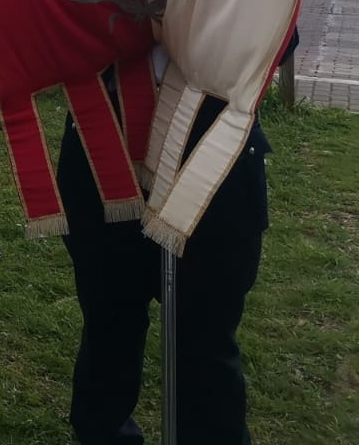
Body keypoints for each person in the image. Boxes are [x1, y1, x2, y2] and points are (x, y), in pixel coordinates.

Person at [55, 31, 289, 444]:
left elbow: (281, 35)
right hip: (105, 147)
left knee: (206, 342)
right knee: (108, 327)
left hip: (212, 154)